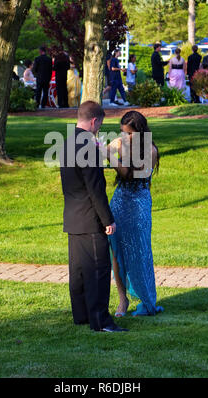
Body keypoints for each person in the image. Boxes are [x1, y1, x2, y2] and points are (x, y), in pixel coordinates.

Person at [60, 100, 128, 333]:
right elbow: (95, 188)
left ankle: (82, 316)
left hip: (72, 216)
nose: (99, 127)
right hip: (90, 218)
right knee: (98, 269)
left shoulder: (67, 142)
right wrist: (107, 220)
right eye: (100, 123)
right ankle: (101, 321)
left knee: (78, 271)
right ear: (94, 121)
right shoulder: (88, 145)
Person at [106, 111, 164, 317]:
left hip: (138, 205)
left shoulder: (150, 150)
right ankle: (123, 300)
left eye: (129, 133)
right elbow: (105, 149)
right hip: (119, 202)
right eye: (122, 132)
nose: (124, 137)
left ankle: (147, 299)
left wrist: (111, 158)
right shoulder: (122, 142)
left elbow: (131, 175)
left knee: (139, 251)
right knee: (116, 252)